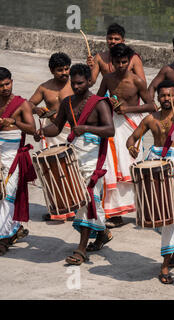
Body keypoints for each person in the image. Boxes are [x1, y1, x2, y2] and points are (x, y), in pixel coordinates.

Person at [34, 64, 115, 265]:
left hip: (95, 157)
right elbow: (57, 127)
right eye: (74, 83)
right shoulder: (68, 102)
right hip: (74, 155)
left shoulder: (99, 103)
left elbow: (110, 130)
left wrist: (86, 127)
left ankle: (81, 249)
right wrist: (43, 132)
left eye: (81, 83)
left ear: (89, 82)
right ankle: (102, 231)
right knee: (83, 198)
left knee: (87, 198)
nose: (77, 86)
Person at [126, 79, 174, 284]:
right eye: (162, 95)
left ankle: (165, 266)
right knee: (154, 216)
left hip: (173, 173)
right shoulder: (150, 119)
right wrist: (131, 147)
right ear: (158, 97)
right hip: (152, 171)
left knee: (171, 219)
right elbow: (132, 138)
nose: (166, 99)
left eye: (169, 95)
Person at [97, 43, 155, 228]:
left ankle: (143, 210)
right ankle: (115, 214)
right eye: (117, 62)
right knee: (112, 168)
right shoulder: (107, 79)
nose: (121, 65)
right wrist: (108, 102)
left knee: (132, 167)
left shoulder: (137, 81)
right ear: (111, 62)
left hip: (132, 126)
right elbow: (97, 100)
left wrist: (127, 108)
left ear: (129, 61)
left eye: (124, 62)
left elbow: (152, 105)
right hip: (113, 125)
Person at [29, 52, 75, 221]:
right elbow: (29, 103)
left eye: (66, 69)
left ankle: (74, 206)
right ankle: (57, 209)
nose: (64, 73)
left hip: (70, 132)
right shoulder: (44, 88)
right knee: (51, 170)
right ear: (51, 71)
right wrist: (37, 110)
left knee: (71, 169)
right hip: (50, 132)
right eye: (60, 70)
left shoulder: (74, 86)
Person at [0, 67, 36, 256]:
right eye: (1, 85)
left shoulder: (22, 104)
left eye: (8, 83)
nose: (5, 88)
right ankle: (12, 229)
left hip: (12, 155)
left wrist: (13, 123)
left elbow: (32, 129)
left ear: (12, 81)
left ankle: (3, 238)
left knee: (7, 194)